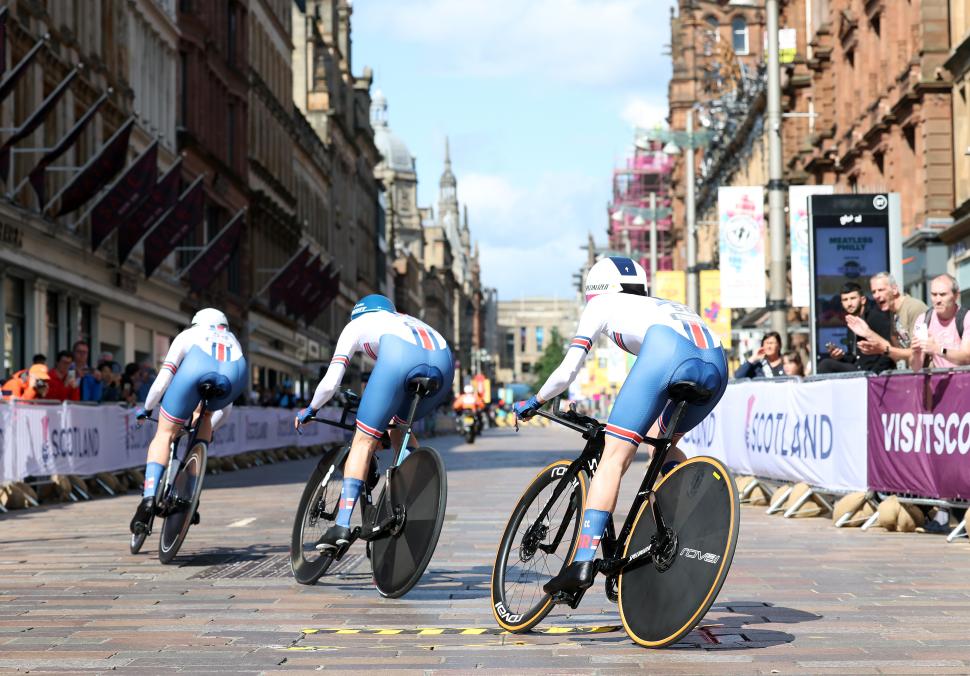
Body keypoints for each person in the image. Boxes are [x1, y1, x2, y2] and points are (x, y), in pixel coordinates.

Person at [512, 256, 727, 596]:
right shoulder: (664, 304)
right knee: (662, 443)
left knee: (614, 457)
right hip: (716, 361)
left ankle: (582, 562)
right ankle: (682, 521)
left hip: (668, 355)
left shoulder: (601, 305)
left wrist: (534, 402)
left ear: (594, 289)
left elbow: (568, 371)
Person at [294, 294, 453, 551]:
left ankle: (342, 526)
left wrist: (311, 408)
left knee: (364, 439)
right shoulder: (405, 319)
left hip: (401, 359)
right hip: (444, 364)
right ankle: (408, 493)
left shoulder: (356, 324)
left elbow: (332, 381)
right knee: (400, 428)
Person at [129, 308, 247, 534]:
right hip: (235, 374)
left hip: (195, 370)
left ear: (196, 323)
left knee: (164, 434)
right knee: (206, 421)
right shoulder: (233, 340)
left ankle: (148, 499)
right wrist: (205, 428)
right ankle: (191, 495)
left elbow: (163, 380)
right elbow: (228, 408)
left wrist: (147, 408)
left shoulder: (187, 335)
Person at [843, 272, 928, 368]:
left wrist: (884, 349)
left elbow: (919, 352)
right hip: (912, 374)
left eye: (881, 290)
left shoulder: (914, 308)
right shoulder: (892, 313)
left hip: (930, 375)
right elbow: (895, 353)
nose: (876, 296)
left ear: (894, 289)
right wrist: (868, 333)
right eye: (873, 292)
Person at [817, 282, 894, 374]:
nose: (849, 303)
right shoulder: (852, 322)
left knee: (826, 365)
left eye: (853, 298)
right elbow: (854, 357)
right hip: (859, 370)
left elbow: (890, 350)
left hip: (874, 373)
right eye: (845, 300)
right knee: (826, 364)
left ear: (863, 300)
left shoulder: (876, 317)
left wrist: (874, 374)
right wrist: (841, 356)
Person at [909, 273, 970, 370]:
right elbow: (916, 369)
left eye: (942, 295)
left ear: (956, 296)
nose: (937, 300)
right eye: (934, 294)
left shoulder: (966, 318)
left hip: (964, 381)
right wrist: (916, 353)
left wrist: (939, 350)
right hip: (938, 381)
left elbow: (967, 357)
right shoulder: (923, 320)